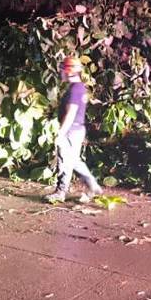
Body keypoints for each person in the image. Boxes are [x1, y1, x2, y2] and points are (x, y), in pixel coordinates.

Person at [45, 56, 103, 203]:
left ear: (69, 71)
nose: (61, 72)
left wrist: (61, 133)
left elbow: (71, 113)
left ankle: (60, 192)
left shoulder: (75, 90)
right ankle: (93, 185)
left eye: (63, 69)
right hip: (77, 129)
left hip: (71, 130)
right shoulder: (78, 88)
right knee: (74, 160)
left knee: (64, 160)